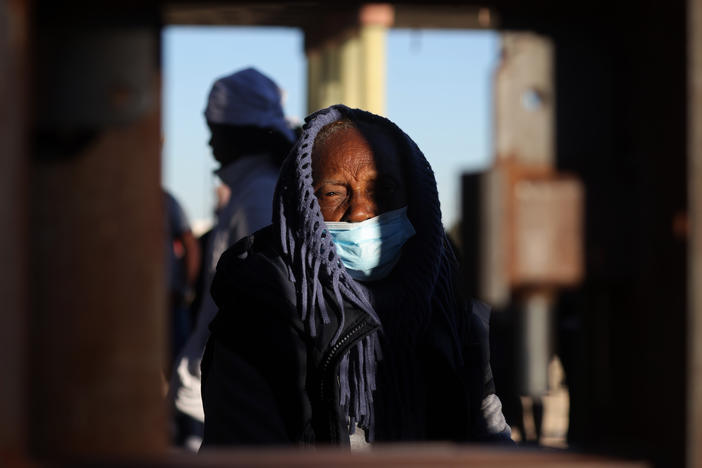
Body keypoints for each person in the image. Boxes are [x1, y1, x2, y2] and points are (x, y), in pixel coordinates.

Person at [200, 105, 512, 447]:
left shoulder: (451, 301)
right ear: (303, 204)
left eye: (383, 189)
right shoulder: (260, 307)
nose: (360, 210)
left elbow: (487, 426)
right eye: (334, 193)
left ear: (414, 197)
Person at [169, 67, 295, 451]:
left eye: (215, 130)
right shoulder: (251, 188)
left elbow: (257, 307)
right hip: (211, 388)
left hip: (222, 397)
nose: (209, 143)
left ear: (239, 130)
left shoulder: (259, 195)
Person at [164, 189, 200, 372]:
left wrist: (186, 287)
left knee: (179, 366)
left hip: (171, 300)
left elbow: (189, 243)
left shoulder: (166, 201)